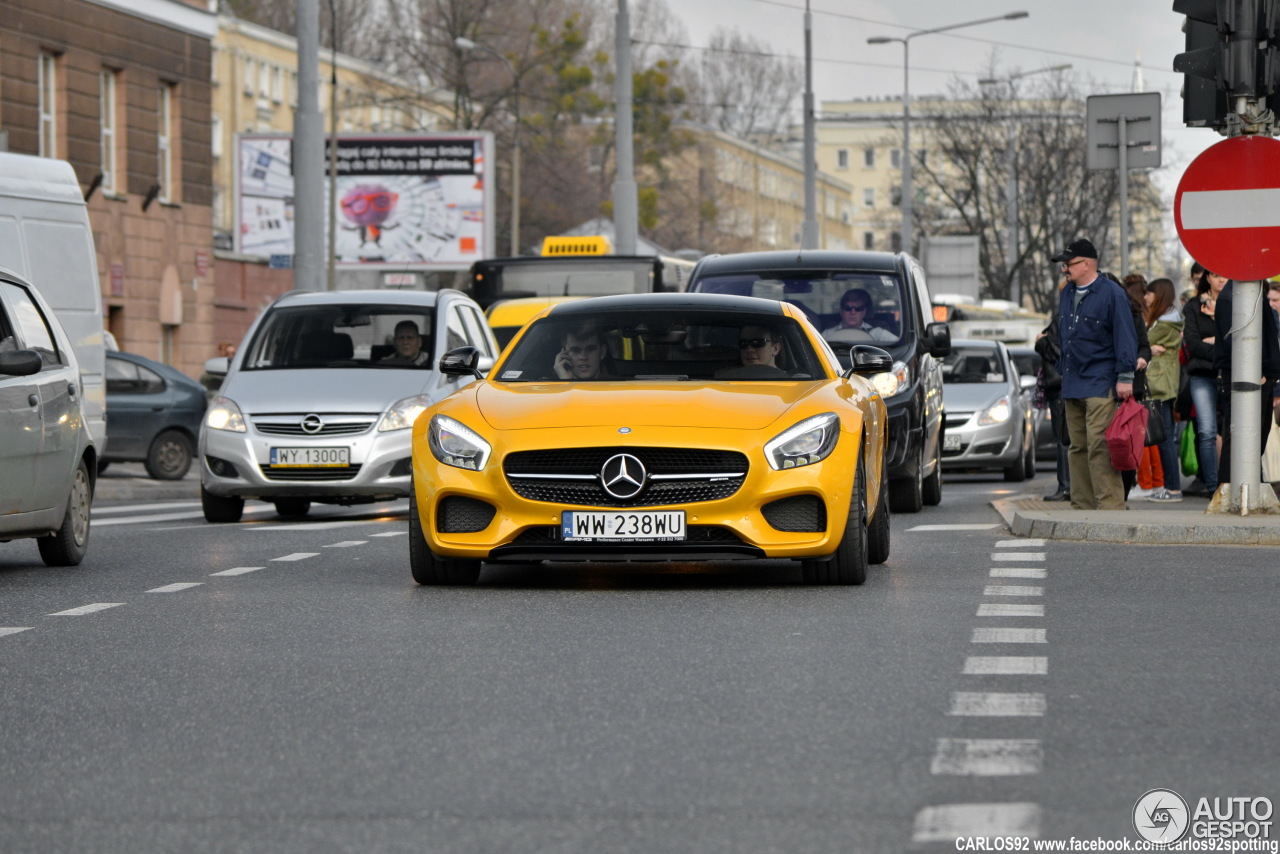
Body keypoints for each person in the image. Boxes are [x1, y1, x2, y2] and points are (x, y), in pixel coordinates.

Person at [1052, 238, 1137, 511]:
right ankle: (1082, 505)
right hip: (1073, 381)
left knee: (1100, 445)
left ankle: (1110, 506)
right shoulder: (1067, 293)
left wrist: (1125, 376)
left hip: (1100, 381)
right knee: (1077, 447)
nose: (1065, 269)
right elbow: (1065, 335)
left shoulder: (1112, 293)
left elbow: (1125, 335)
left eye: (1069, 264)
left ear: (1087, 264)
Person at [1212, 279, 1280, 491]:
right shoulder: (1233, 294)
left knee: (1255, 437)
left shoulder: (1251, 288)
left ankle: (1247, 489)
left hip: (1260, 374)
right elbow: (1233, 338)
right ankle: (1231, 491)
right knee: (1240, 437)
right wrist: (1255, 370)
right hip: (1249, 375)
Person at [1181, 268, 1227, 495]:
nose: (1222, 279)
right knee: (1207, 431)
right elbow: (1192, 345)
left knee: (1234, 430)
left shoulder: (1234, 302)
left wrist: (1212, 340)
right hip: (1202, 375)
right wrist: (1221, 348)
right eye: (1217, 275)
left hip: (1229, 375)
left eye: (1225, 275)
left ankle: (1231, 483)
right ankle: (1212, 487)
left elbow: (1239, 340)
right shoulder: (1192, 306)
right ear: (1207, 277)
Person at [1143, 277, 1184, 502]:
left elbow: (1138, 342)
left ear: (1158, 295)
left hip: (1160, 384)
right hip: (1164, 383)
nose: (1146, 298)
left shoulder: (1165, 324)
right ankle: (1172, 486)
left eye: (1149, 293)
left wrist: (1146, 347)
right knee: (1165, 436)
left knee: (1165, 437)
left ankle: (1173, 488)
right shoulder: (1169, 321)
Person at [1035, 275, 1070, 501]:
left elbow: (1059, 352)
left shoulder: (1064, 317)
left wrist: (1041, 342)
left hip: (1060, 385)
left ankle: (1066, 485)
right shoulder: (1065, 317)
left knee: (1063, 438)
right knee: (1067, 437)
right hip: (1062, 385)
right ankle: (1069, 485)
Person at [1119, 274, 1154, 500]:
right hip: (1111, 387)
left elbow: (1145, 346)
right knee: (1116, 440)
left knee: (1131, 440)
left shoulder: (1134, 314)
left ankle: (1127, 486)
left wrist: (1142, 357)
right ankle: (1121, 488)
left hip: (1135, 386)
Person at [823, 289, 894, 342]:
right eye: (848, 308)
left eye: (858, 308)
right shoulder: (827, 335)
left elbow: (902, 348)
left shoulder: (878, 334)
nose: (853, 312)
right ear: (841, 310)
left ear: (864, 312)